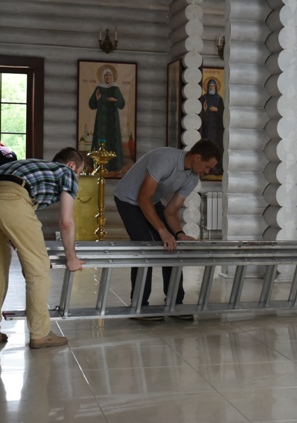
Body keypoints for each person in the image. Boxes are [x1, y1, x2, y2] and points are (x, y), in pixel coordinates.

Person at [0, 147, 86, 348]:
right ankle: (40, 334)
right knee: (39, 269)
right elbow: (66, 222)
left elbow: (15, 224)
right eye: (80, 172)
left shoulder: (35, 167)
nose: (78, 176)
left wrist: (25, 256)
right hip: (11, 196)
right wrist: (71, 257)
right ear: (72, 165)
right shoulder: (67, 173)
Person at [114, 139, 221, 320]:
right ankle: (139, 305)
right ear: (197, 157)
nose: (207, 172)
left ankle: (174, 303)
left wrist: (179, 234)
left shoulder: (192, 178)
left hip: (151, 201)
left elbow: (170, 211)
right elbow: (142, 198)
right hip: (128, 199)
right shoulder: (165, 159)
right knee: (145, 247)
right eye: (207, 166)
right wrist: (162, 230)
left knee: (173, 246)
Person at [89, 66, 125, 172]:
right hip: (101, 120)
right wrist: (97, 99)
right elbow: (91, 105)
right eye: (106, 75)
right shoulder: (99, 88)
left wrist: (115, 100)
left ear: (112, 76)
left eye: (109, 75)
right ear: (103, 77)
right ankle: (98, 164)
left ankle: (114, 165)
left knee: (112, 140)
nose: (108, 77)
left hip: (112, 119)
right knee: (100, 139)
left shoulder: (115, 88)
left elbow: (122, 104)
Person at [200, 79, 224, 175]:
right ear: (207, 87)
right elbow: (200, 113)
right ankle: (205, 168)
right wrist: (204, 110)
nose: (211, 88)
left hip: (216, 129)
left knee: (216, 147)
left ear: (216, 87)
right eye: (210, 86)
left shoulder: (219, 99)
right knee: (206, 147)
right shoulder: (204, 98)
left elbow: (223, 114)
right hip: (206, 128)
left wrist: (217, 110)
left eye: (213, 86)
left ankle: (215, 167)